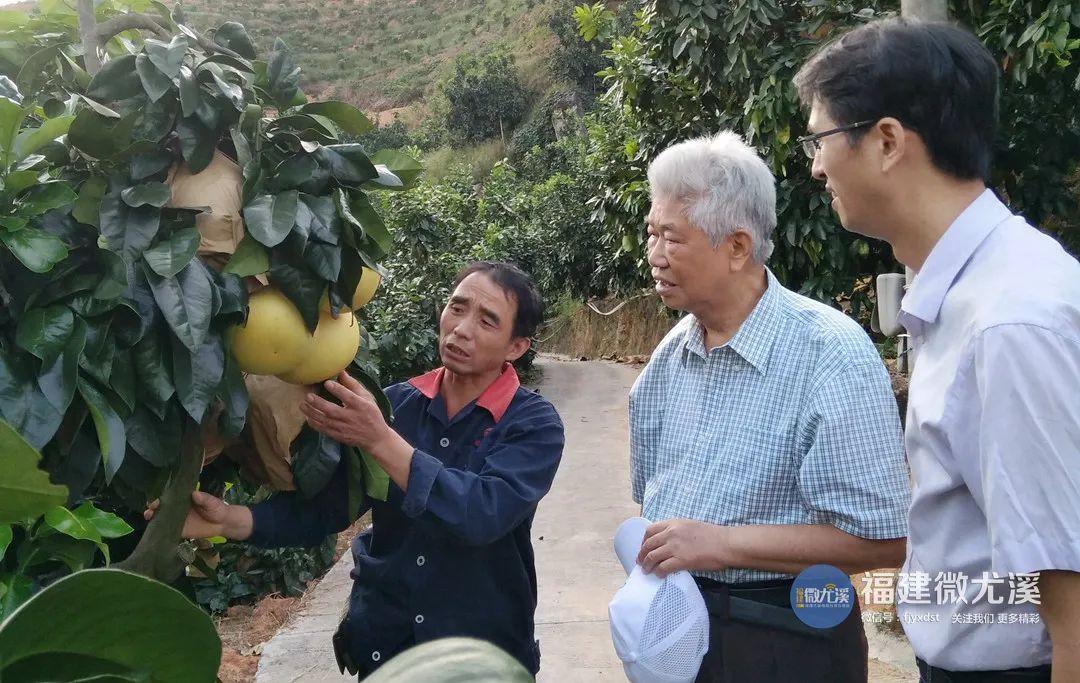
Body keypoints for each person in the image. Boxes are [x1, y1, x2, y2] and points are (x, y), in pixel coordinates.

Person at [794, 18, 1080, 682]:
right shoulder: (964, 294)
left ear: (888, 140)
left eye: (822, 138)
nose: (815, 165)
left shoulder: (1009, 319)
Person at [148, 261, 564, 678]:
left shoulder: (532, 424)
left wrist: (380, 439)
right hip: (387, 648)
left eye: (487, 320)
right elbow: (330, 508)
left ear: (516, 347)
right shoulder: (396, 404)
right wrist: (231, 519)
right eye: (457, 307)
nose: (461, 328)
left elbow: (481, 513)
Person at [629, 130, 911, 682]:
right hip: (679, 634)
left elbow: (883, 538)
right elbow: (651, 504)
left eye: (672, 238)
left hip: (789, 637)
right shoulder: (668, 358)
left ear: (737, 246)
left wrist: (723, 545)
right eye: (650, 233)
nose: (654, 256)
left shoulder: (830, 353)